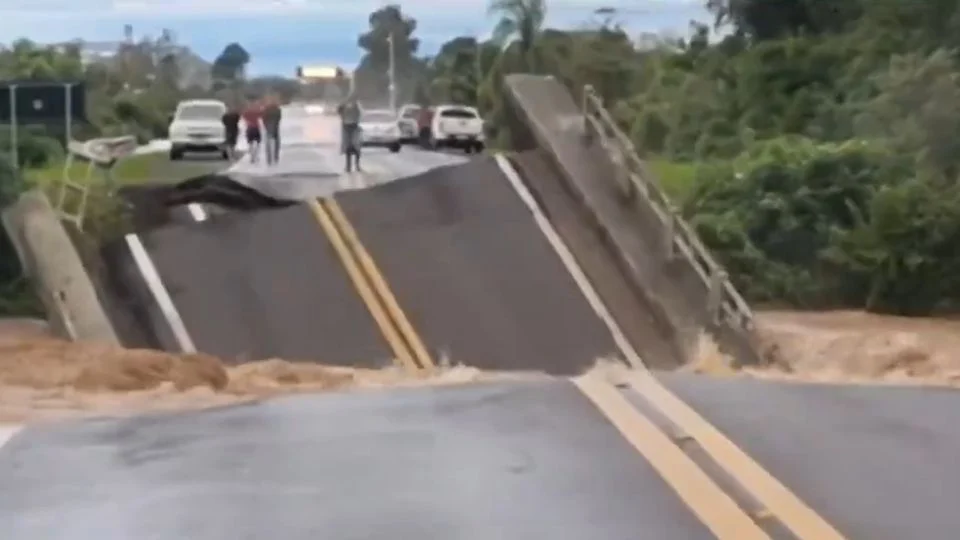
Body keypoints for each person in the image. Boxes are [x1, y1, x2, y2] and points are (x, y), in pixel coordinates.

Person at [337, 94, 362, 172]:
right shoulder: (344, 106)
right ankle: (348, 166)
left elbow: (359, 114)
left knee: (356, 146)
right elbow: (339, 111)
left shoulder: (356, 106)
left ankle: (356, 165)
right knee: (348, 147)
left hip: (354, 126)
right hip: (346, 127)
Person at [241, 99, 264, 164]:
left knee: (250, 144)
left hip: (249, 128)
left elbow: (243, 118)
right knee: (258, 143)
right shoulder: (256, 111)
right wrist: (260, 107)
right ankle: (256, 156)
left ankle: (252, 157)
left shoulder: (245, 112)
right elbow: (262, 115)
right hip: (256, 128)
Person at [262, 95, 282, 166]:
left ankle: (269, 158)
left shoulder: (265, 109)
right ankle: (276, 156)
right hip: (275, 127)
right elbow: (279, 118)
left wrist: (266, 126)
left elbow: (263, 119)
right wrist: (276, 124)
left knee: (268, 143)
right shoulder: (277, 109)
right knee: (277, 142)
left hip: (268, 127)